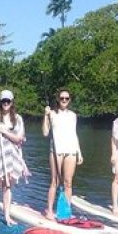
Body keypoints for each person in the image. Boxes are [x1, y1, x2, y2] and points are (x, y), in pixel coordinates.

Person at [0, 89, 30, 227]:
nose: (6, 103)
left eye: (8, 101)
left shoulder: (18, 119)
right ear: (0, 102)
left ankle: (7, 216)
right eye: (3, 101)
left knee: (8, 186)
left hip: (12, 156)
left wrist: (4, 131)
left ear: (12, 102)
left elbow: (19, 138)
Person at [42, 88, 82, 220]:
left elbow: (74, 134)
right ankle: (49, 210)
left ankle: (66, 212)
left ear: (69, 100)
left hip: (71, 150)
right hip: (57, 151)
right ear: (58, 100)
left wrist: (79, 153)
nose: (64, 100)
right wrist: (45, 116)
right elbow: (45, 133)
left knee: (68, 182)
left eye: (67, 98)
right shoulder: (52, 114)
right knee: (55, 181)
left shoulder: (73, 115)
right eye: (62, 98)